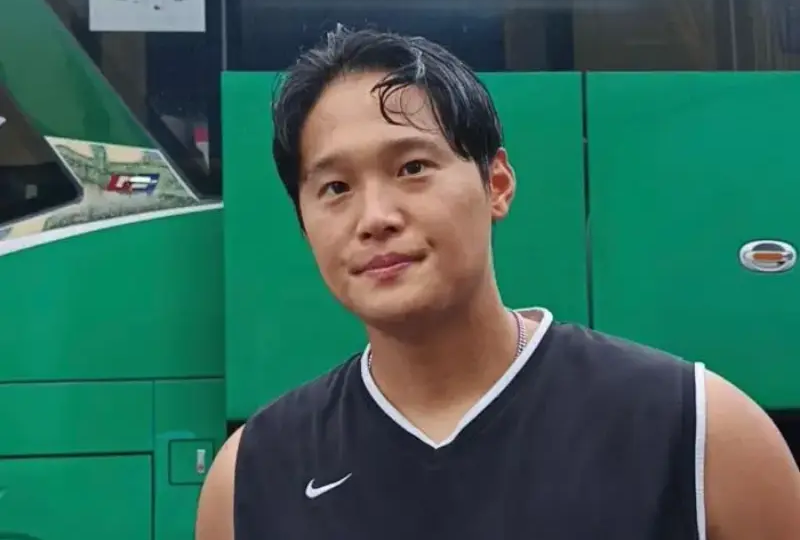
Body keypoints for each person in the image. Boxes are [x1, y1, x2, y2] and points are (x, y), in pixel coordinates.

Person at [196, 27, 800, 540]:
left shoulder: (700, 433)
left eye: (412, 167)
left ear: (498, 185)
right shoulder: (249, 477)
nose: (375, 217)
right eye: (335, 187)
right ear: (305, 224)